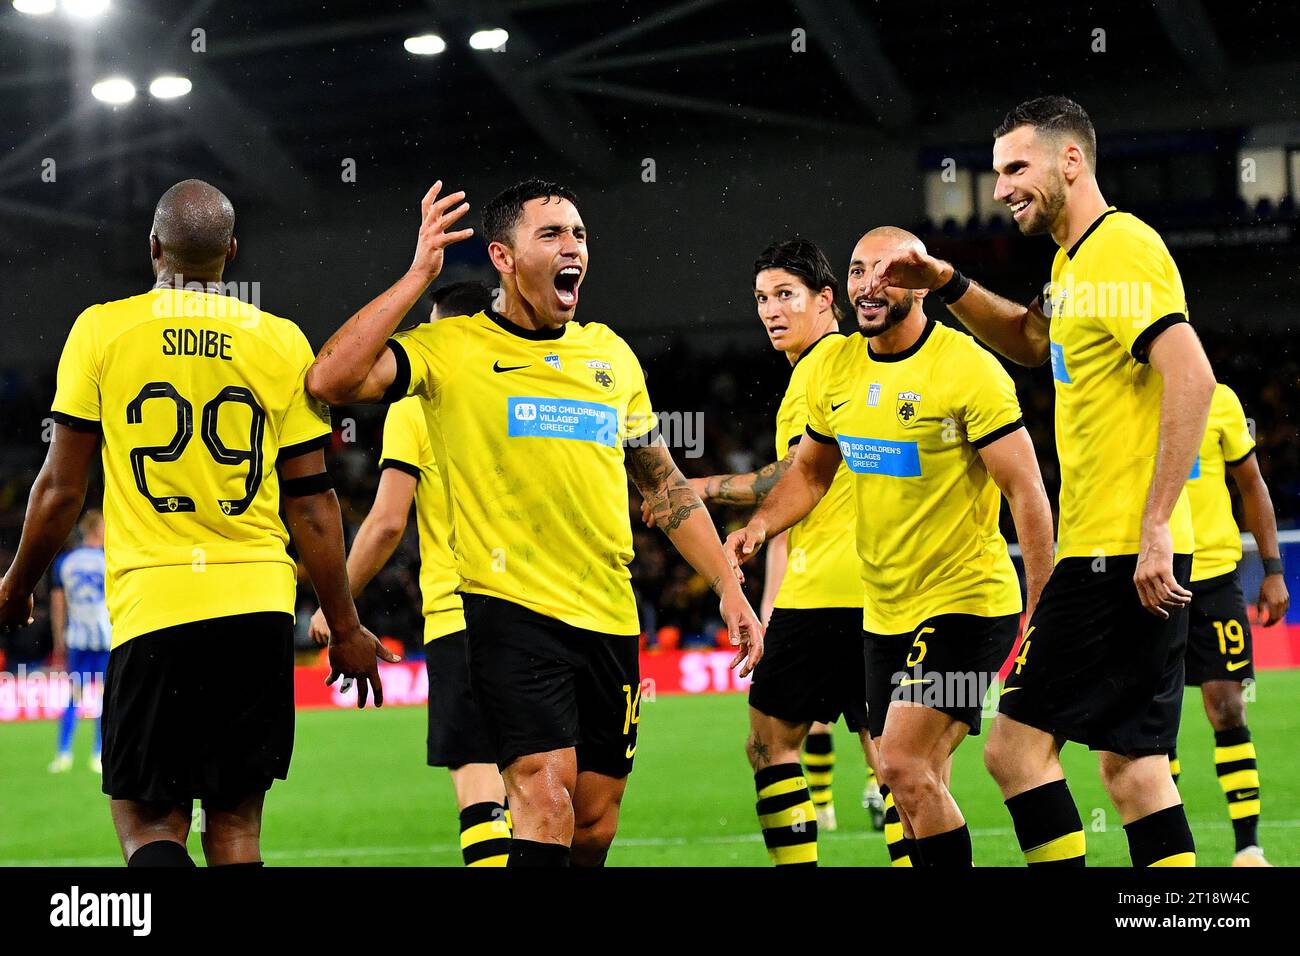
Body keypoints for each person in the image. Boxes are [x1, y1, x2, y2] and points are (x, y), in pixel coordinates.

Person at [306, 179, 763, 867]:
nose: (571, 245)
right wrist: (417, 275)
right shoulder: (450, 351)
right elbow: (329, 381)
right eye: (550, 234)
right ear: (503, 257)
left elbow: (664, 487)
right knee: (543, 802)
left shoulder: (608, 355)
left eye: (577, 233)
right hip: (508, 615)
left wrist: (729, 585)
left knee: (593, 822)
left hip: (609, 616)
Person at [863, 96, 1217, 867]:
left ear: (1070, 161)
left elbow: (1192, 372)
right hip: (1120, 550)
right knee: (1133, 771)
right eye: (998, 173)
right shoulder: (1071, 263)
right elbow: (1032, 341)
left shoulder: (1122, 247)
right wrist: (948, 281)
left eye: (1016, 168)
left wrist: (1156, 523)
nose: (1001, 189)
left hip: (1118, 552)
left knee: (1015, 750)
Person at [0, 179, 392, 867]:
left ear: (153, 246)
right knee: (236, 829)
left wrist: (15, 583)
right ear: (232, 252)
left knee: (150, 827)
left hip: (156, 607)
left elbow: (62, 489)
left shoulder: (101, 329)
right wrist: (346, 621)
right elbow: (312, 502)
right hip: (259, 612)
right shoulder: (279, 339)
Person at [726, 227, 1055, 867]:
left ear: (923, 281)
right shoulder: (834, 369)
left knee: (901, 764)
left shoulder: (968, 369)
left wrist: (1043, 604)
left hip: (966, 601)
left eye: (889, 270)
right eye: (857, 271)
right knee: (912, 784)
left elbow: (1026, 491)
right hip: (883, 613)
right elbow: (811, 474)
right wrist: (761, 524)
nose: (869, 283)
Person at [649, 238, 878, 864]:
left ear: (825, 300)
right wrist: (771, 599)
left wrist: (697, 487)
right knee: (894, 764)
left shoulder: (823, 369)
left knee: (770, 745)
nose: (770, 310)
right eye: (760, 299)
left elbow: (791, 476)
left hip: (831, 595)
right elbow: (797, 512)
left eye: (785, 295)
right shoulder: (843, 365)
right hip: (871, 592)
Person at [309, 279, 514, 867]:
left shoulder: (418, 400)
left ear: (445, 328)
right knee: (539, 786)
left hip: (464, 612)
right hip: (547, 610)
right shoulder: (530, 385)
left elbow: (387, 521)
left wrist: (336, 603)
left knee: (479, 786)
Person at [1173, 382, 1288, 866]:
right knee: (1155, 724)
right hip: (1149, 579)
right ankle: (1170, 848)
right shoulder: (1123, 392)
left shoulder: (1218, 398)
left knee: (1228, 709)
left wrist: (1273, 568)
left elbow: (1251, 483)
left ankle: (1248, 849)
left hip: (1216, 579)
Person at [48, 509, 112, 775]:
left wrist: (58, 638)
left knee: (74, 697)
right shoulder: (110, 560)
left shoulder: (66, 562)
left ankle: (64, 753)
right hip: (107, 639)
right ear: (99, 529)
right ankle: (99, 754)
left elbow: (58, 604)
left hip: (77, 639)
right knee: (106, 699)